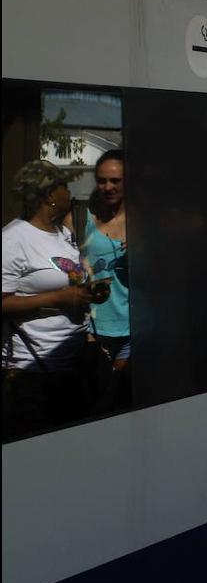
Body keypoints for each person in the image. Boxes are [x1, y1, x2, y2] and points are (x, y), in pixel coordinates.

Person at [3, 161, 109, 441]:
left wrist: (88, 291)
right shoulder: (13, 240)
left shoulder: (63, 235)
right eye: (64, 185)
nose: (69, 191)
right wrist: (60, 297)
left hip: (73, 365)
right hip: (34, 371)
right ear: (49, 194)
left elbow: (69, 281)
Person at [82, 150, 131, 404]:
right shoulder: (83, 221)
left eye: (115, 181)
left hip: (134, 330)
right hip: (95, 331)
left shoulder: (145, 222)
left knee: (121, 399)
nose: (108, 187)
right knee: (96, 403)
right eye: (102, 181)